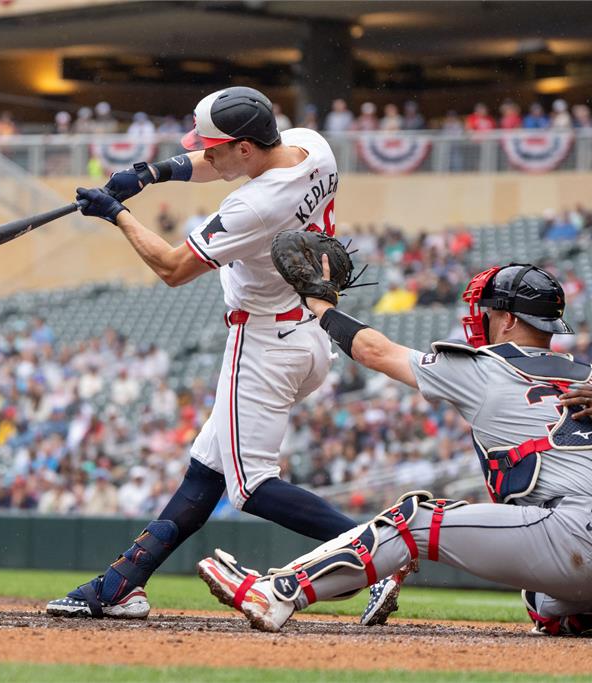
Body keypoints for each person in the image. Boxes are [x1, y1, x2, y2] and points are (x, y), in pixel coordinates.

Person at [46, 86, 390, 621]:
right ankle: (121, 584)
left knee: (250, 487)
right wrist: (150, 174)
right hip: (304, 333)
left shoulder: (255, 204)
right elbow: (215, 164)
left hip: (263, 342)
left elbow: (172, 268)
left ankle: (380, 553)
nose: (205, 155)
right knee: (205, 473)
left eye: (214, 147)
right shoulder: (310, 145)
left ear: (246, 149)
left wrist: (117, 214)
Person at [199, 257, 592, 636]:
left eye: (489, 311)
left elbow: (377, 352)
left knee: (412, 519)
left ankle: (279, 591)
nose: (481, 319)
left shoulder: (486, 366)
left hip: (575, 539)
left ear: (509, 319)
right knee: (539, 597)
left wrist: (321, 306)